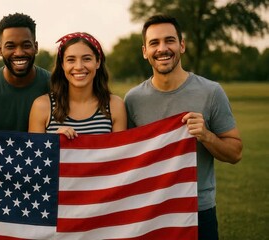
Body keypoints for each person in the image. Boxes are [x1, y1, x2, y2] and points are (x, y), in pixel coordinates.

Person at [124, 15, 243, 240]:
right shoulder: (133, 99)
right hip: (151, 211)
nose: (162, 49)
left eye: (169, 40)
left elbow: (235, 153)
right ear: (144, 51)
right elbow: (127, 157)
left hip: (198, 211)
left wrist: (207, 136)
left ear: (182, 45)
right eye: (154, 43)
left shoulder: (211, 92)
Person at [29, 32, 127, 137]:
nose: (79, 66)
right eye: (71, 60)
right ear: (62, 65)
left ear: (98, 62)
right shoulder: (42, 106)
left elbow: (121, 152)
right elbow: (34, 151)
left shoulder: (115, 105)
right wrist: (54, 141)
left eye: (87, 59)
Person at [0, 12, 50, 132]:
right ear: (0, 49)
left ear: (36, 47)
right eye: (10, 46)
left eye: (26, 45)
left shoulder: (56, 85)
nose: (19, 53)